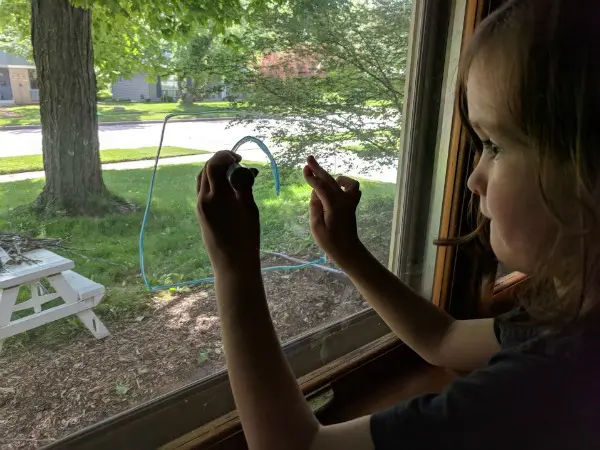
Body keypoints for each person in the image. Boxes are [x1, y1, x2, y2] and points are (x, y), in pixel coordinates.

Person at [194, 0, 600, 448]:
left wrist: (233, 269)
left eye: (494, 145)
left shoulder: (547, 386)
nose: (472, 179)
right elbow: (443, 341)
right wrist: (347, 251)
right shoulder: (575, 318)